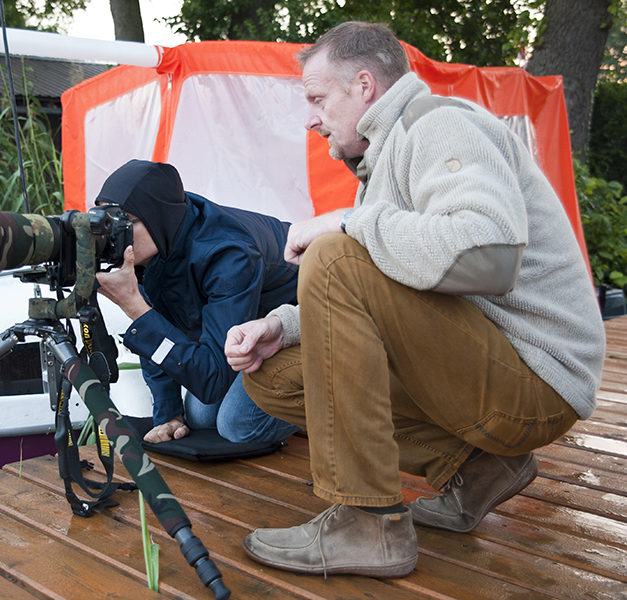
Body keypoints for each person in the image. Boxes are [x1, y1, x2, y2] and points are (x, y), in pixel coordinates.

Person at [224, 21, 606, 578]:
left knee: (332, 254)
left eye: (317, 98)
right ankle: (477, 469)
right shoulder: (383, 163)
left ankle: (366, 523)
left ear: (363, 86)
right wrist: (284, 325)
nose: (310, 117)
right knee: (272, 374)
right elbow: (383, 294)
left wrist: (350, 222)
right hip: (490, 370)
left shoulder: (439, 124)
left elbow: (490, 256)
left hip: (539, 381)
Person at [94, 159, 301, 445]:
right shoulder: (160, 240)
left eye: (124, 222)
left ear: (158, 216)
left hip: (304, 321)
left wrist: (134, 306)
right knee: (199, 416)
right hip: (250, 332)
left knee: (237, 424)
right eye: (107, 220)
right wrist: (168, 414)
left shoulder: (228, 256)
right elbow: (158, 327)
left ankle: (331, 404)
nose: (115, 235)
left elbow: (214, 379)